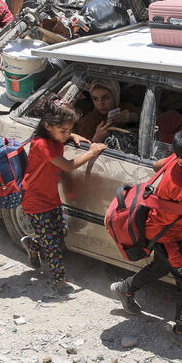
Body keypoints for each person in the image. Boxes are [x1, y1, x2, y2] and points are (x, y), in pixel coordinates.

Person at [110, 128, 182, 354]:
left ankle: (125, 289)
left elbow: (157, 166)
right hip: (164, 238)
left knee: (160, 267)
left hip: (160, 229)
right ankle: (181, 331)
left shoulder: (176, 159)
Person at [20, 97, 106, 294]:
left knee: (59, 233)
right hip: (35, 200)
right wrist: (91, 152)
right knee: (52, 245)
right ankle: (59, 281)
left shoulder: (53, 136)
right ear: (48, 126)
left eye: (69, 129)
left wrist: (72, 135)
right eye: (63, 131)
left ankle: (33, 244)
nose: (66, 134)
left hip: (51, 198)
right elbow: (68, 166)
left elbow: (62, 137)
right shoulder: (42, 144)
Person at [74, 79, 139, 152]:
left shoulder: (126, 108)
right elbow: (81, 153)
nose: (100, 104)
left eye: (105, 98)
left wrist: (132, 117)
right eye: (95, 99)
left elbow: (151, 121)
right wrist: (96, 139)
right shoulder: (87, 122)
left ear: (115, 96)